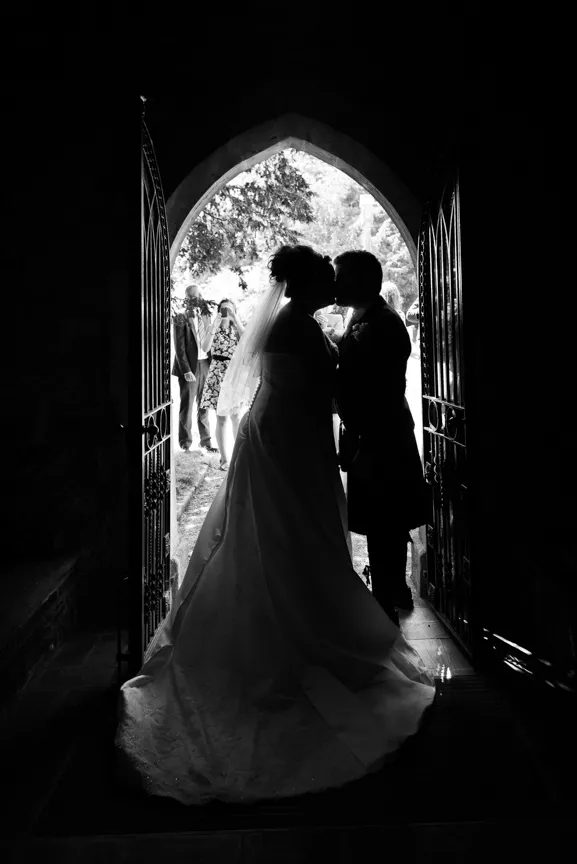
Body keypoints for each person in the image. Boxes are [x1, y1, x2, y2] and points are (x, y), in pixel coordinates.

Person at [116, 245, 435, 807]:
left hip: (286, 441)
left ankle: (311, 609)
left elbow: (322, 385)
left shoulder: (296, 324)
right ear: (306, 286)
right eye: (326, 281)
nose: (333, 290)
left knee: (288, 538)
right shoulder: (300, 329)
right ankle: (303, 627)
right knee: (295, 536)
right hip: (293, 449)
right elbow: (326, 389)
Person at [333, 250, 430, 621]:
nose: (335, 284)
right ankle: (393, 590)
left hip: (381, 437)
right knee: (383, 517)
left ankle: (388, 596)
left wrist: (356, 431)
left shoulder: (384, 324)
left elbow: (373, 388)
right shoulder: (362, 316)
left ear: (360, 281)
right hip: (373, 435)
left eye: (341, 277)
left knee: (386, 518)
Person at [171, 284, 217, 453]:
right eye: (191, 297)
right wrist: (186, 370)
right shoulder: (180, 317)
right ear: (187, 298)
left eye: (197, 296)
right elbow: (179, 348)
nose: (195, 299)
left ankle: (206, 442)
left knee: (204, 404)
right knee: (187, 405)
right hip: (189, 367)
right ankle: (185, 443)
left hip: (205, 363)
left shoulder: (206, 315)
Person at [199, 298, 244, 470]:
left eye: (229, 309)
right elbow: (205, 348)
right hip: (217, 373)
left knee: (236, 417)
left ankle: (239, 456)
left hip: (233, 374)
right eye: (223, 309)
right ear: (218, 310)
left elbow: (248, 341)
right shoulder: (214, 327)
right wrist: (214, 326)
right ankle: (224, 459)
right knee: (221, 418)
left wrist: (236, 319)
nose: (226, 312)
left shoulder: (237, 328)